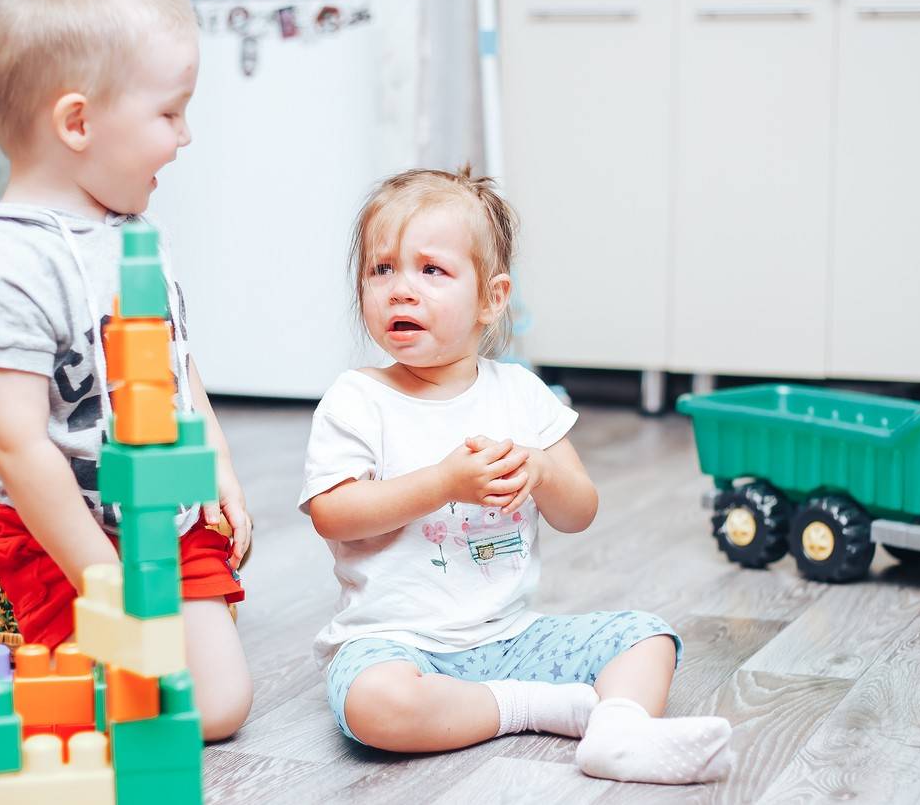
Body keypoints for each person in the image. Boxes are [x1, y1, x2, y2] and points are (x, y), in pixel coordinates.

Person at [0, 0, 252, 741]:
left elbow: (176, 364)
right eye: (170, 113)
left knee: (219, 701)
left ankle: (41, 672)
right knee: (184, 707)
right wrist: (101, 576)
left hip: (168, 521)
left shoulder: (132, 233)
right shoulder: (7, 261)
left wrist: (217, 463)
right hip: (68, 539)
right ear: (78, 122)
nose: (186, 136)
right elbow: (13, 440)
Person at [298, 167, 732, 783]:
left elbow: (579, 511)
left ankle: (621, 733)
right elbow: (332, 513)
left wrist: (544, 470)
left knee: (648, 637)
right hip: (395, 644)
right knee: (373, 704)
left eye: (431, 270)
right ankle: (540, 708)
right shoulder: (356, 399)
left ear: (491, 299)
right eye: (381, 269)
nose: (400, 289)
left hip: (511, 636)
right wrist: (442, 484)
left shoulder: (521, 396)